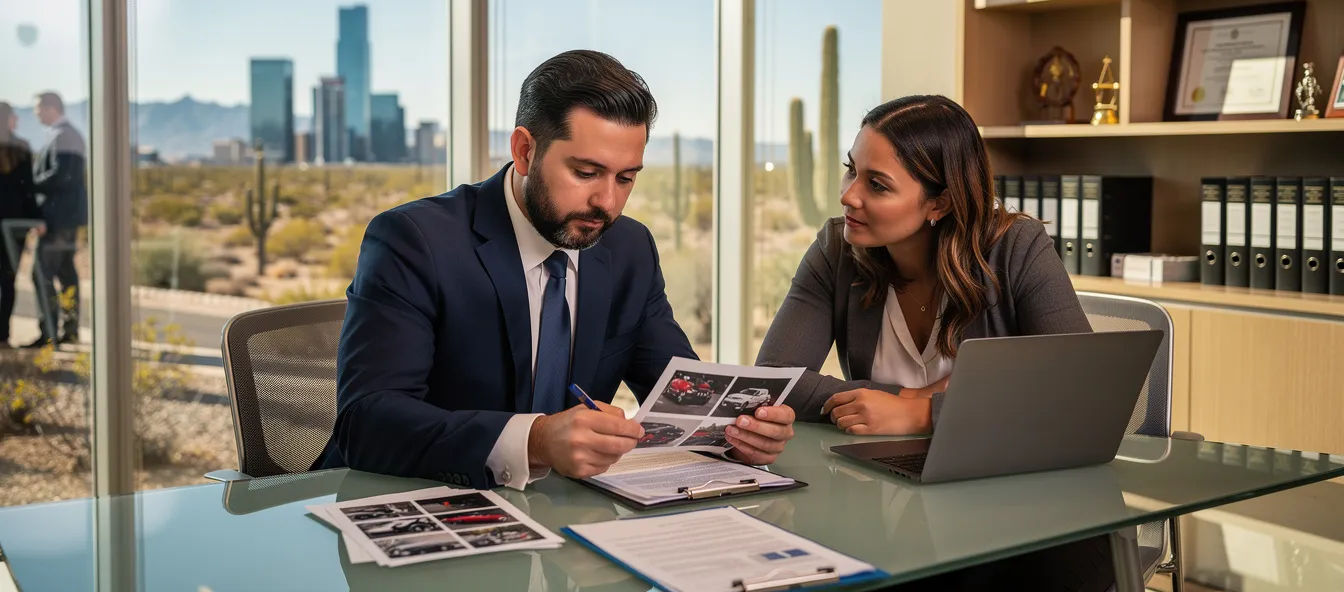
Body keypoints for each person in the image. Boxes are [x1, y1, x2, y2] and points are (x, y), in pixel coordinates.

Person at [316, 50, 796, 489]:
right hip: (410, 501)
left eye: (626, 178)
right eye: (586, 173)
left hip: (561, 521)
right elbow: (367, 421)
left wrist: (740, 431)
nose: (607, 202)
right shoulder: (414, 240)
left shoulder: (628, 247)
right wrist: (536, 440)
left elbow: (683, 396)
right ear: (525, 151)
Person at [756, 95, 1113, 590]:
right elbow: (777, 378)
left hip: (1021, 510)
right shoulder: (837, 249)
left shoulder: (1016, 249)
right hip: (884, 498)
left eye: (876, 185)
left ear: (939, 202)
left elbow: (1082, 391)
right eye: (850, 171)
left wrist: (924, 414)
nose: (849, 196)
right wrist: (911, 395)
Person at [28, 92, 86, 348]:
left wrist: (30, 185)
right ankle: (68, 330)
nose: (36, 113)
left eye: (38, 109)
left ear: (50, 108)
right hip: (65, 219)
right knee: (65, 274)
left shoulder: (64, 136)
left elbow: (62, 176)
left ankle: (49, 331)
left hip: (58, 220)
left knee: (42, 273)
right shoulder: (64, 134)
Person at [0, 102, 42, 345]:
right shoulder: (22, 148)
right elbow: (29, 190)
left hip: (13, 225)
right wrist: (36, 218)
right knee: (8, 278)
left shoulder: (21, 148)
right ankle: (3, 333)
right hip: (15, 225)